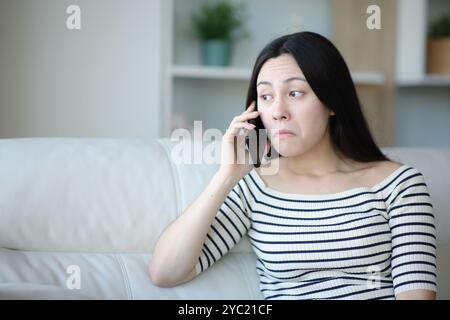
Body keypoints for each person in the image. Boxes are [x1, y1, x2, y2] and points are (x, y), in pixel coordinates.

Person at [149, 32, 437, 300]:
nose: (277, 112)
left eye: (295, 93)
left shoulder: (399, 184)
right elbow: (166, 272)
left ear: (332, 101)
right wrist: (227, 175)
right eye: (266, 96)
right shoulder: (255, 186)